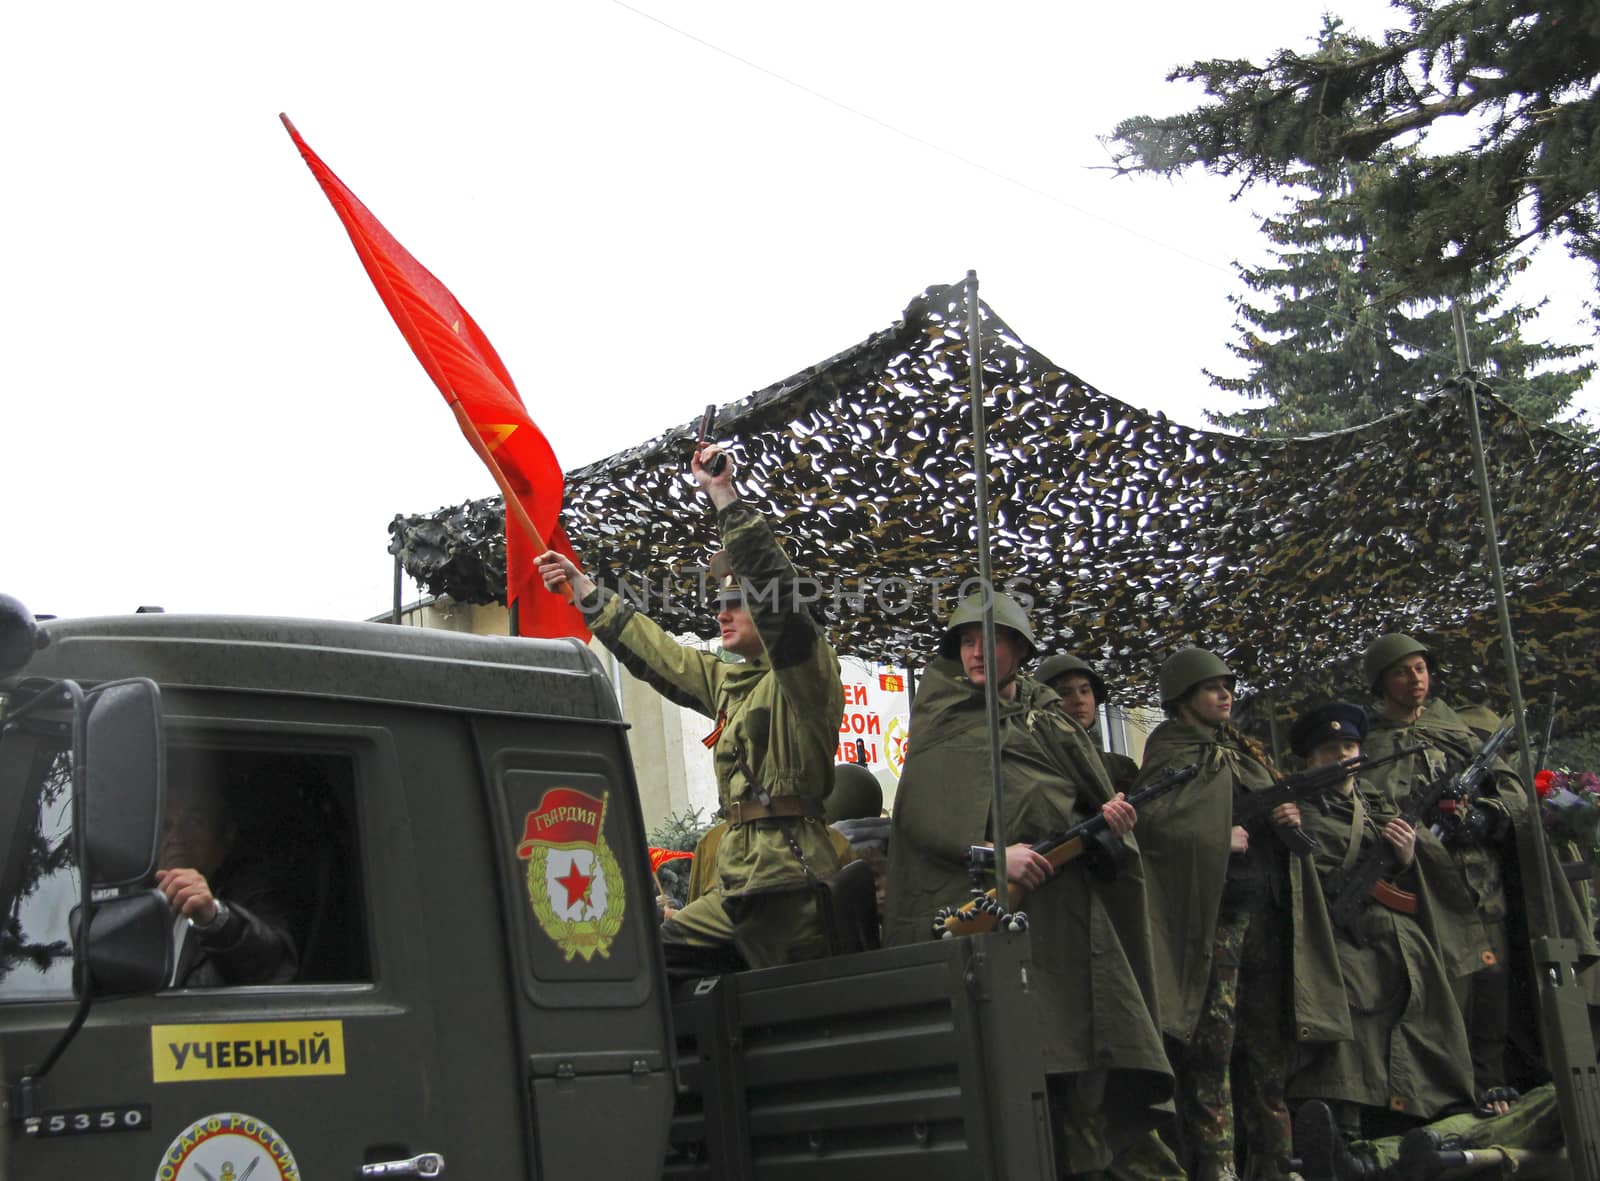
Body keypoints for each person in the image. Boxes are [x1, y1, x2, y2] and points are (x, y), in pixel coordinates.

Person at [882, 590, 1182, 1180]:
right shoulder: (943, 717)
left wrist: (1112, 829)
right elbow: (920, 818)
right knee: (1012, 1074)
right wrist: (995, 856)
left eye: (986, 640)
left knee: (1086, 1069)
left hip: (1068, 925)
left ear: (1017, 648)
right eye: (964, 641)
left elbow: (1094, 814)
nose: (973, 652)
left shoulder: (1049, 718)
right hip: (994, 928)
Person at [536, 443, 843, 975]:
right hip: (738, 883)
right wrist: (583, 589)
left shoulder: (802, 674)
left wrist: (720, 493)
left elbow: (779, 598)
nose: (721, 615)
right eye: (717, 605)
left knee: (799, 1012)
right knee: (649, 957)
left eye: (734, 604)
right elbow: (661, 656)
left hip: (791, 884)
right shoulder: (730, 680)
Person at [1132, 647, 1348, 1181]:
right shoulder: (1169, 756)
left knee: (1268, 1051)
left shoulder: (1244, 755)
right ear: (1183, 699)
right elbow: (1152, 827)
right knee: (1212, 1052)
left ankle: (1276, 1162)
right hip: (1216, 924)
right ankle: (1218, 1166)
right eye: (1211, 688)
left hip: (1266, 917)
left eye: (1227, 685)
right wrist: (1213, 836)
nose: (1225, 695)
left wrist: (1284, 816)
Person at [1356, 633, 1596, 1111]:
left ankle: (1498, 1077)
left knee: (1498, 975)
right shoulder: (1370, 747)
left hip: (1483, 878)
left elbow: (1514, 793)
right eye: (1402, 672)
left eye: (1420, 668)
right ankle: (1455, 1086)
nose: (1415, 679)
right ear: (1382, 683)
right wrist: (1422, 832)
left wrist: (1484, 814)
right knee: (1448, 985)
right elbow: (1370, 811)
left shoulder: (1456, 733)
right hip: (1424, 884)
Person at [1284, 702, 1474, 1140]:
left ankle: (1424, 1125)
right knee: (1355, 1050)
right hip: (1343, 946)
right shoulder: (1299, 811)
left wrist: (1407, 857)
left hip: (1400, 945)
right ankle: (1351, 1131)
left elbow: (1422, 877)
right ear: (1310, 758)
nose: (1342, 756)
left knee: (1421, 1036)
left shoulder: (1378, 803)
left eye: (1349, 745)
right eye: (1330, 749)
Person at [156, 777, 299, 988]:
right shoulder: (131, 902)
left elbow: (274, 966)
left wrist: (214, 920)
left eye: (195, 822)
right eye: (166, 826)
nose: (176, 837)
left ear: (226, 836)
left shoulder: (252, 893)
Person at [1038, 651, 1139, 791]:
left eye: (1085, 691)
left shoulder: (1121, 768)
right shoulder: (1036, 762)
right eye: (1064, 693)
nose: (1079, 701)